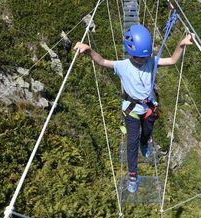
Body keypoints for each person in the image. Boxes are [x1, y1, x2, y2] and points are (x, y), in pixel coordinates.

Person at [75, 25, 194, 192]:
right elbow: (102, 62)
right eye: (138, 58)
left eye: (144, 58)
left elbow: (173, 60)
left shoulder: (151, 62)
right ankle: (132, 174)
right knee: (131, 142)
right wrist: (88, 50)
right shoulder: (123, 65)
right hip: (131, 110)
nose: (141, 61)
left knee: (147, 132)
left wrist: (181, 44)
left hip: (148, 109)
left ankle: (144, 144)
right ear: (130, 54)